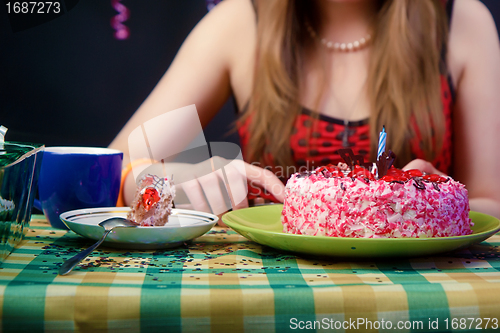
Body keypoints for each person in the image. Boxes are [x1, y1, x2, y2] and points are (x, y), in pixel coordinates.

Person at [109, 0, 500, 219]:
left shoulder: (460, 23)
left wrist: (442, 198)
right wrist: (173, 182)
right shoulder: (240, 23)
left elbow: (493, 205)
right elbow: (117, 167)